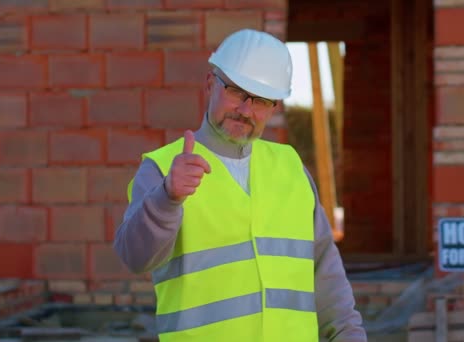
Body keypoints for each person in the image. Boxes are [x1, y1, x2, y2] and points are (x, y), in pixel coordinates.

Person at [114, 28, 366, 342]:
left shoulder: (290, 167)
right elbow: (134, 257)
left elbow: (326, 275)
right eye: (236, 91)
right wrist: (167, 198)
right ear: (210, 85)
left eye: (261, 100)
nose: (246, 110)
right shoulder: (163, 169)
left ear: (274, 107)